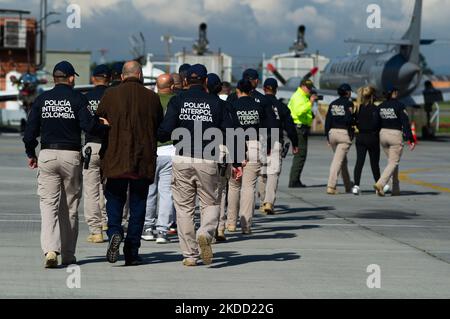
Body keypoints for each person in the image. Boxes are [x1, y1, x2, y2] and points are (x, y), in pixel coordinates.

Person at [23, 61, 109, 268]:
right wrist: (105, 128)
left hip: (47, 154)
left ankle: (51, 250)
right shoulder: (77, 98)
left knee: (48, 206)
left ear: (54, 78)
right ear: (71, 78)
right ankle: (68, 254)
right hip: (71, 155)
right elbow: (89, 125)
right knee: (69, 207)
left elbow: (29, 132)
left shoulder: (42, 99)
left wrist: (31, 153)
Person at [158, 64, 235, 266]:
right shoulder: (217, 103)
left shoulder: (177, 101)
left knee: (184, 208)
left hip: (182, 157)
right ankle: (205, 232)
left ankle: (190, 255)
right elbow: (229, 132)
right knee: (210, 202)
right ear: (206, 82)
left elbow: (165, 131)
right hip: (208, 158)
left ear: (185, 82)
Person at [97, 61, 164, 266]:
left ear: (122, 76)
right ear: (141, 75)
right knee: (138, 206)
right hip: (141, 160)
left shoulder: (110, 95)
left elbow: (98, 120)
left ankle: (115, 232)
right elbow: (159, 126)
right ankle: (132, 250)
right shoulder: (152, 98)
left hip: (115, 158)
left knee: (114, 201)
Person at [226, 79, 277, 234]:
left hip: (235, 143)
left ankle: (231, 223)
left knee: (234, 186)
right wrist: (268, 145)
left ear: (238, 90)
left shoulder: (232, 106)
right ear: (251, 91)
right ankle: (246, 225)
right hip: (255, 144)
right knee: (249, 187)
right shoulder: (259, 106)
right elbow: (271, 125)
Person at [141, 74, 177, 244]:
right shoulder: (177, 101)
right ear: (172, 86)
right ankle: (162, 230)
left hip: (151, 150)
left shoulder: (148, 100)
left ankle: (147, 227)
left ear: (156, 85)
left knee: (149, 192)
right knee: (166, 193)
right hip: (171, 150)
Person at [258, 78, 299, 214]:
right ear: (276, 90)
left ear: (264, 89)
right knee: (273, 172)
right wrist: (295, 143)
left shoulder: (257, 102)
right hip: (276, 139)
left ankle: (262, 200)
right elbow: (290, 127)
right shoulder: (281, 106)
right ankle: (269, 202)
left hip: (260, 139)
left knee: (262, 173)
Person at [83, 64, 111, 243]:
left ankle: (96, 230)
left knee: (91, 190)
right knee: (110, 189)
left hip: (92, 146)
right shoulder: (114, 96)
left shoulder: (85, 98)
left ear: (94, 79)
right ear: (109, 79)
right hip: (111, 146)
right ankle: (108, 222)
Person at [374, 86, 415, 197]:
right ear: (394, 93)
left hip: (383, 135)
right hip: (394, 135)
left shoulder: (380, 106)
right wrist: (410, 138)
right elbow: (405, 122)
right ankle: (380, 184)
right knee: (393, 162)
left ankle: (395, 189)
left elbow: (376, 123)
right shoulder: (399, 105)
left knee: (392, 162)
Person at [325, 84, 354, 195]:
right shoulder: (349, 103)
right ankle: (331, 186)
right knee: (337, 161)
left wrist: (327, 136)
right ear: (347, 93)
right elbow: (349, 119)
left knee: (343, 161)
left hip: (332, 134)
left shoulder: (332, 104)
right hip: (343, 134)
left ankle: (347, 186)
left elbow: (328, 121)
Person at [352, 86, 381, 195]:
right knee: (374, 163)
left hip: (360, 136)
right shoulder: (375, 109)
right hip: (372, 137)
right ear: (372, 96)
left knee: (359, 162)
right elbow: (378, 123)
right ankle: (378, 185)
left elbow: (354, 121)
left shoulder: (358, 108)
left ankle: (356, 185)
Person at [288, 79, 317, 188]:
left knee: (301, 155)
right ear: (302, 86)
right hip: (299, 128)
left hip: (302, 128)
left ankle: (295, 179)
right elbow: (299, 111)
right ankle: (294, 180)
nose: (309, 90)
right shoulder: (298, 97)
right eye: (308, 87)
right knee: (300, 155)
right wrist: (310, 103)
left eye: (310, 88)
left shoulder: (303, 96)